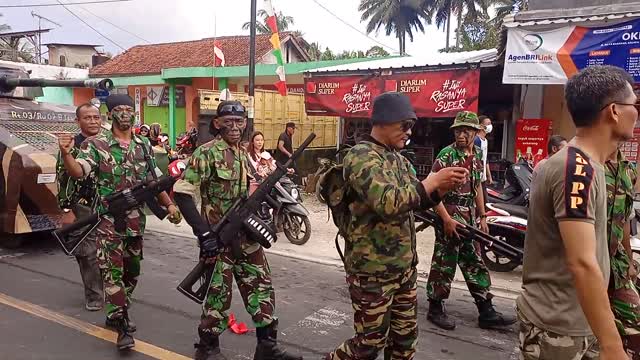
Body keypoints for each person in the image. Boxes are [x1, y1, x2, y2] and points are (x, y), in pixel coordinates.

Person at [326, 92, 469, 360]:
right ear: (383, 121)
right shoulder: (360, 156)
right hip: (372, 271)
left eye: (411, 126)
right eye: (405, 125)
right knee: (368, 345)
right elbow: (387, 202)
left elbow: (414, 201)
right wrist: (431, 182)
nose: (409, 132)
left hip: (403, 268)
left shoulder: (399, 159)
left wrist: (440, 189)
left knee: (404, 342)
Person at [518, 65, 635, 360]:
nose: (637, 113)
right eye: (635, 105)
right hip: (558, 329)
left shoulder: (585, 165)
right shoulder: (576, 169)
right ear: (613, 111)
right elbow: (582, 262)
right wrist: (612, 345)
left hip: (575, 321)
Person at [173, 101, 302, 360]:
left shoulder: (243, 153)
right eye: (228, 121)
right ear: (218, 123)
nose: (234, 126)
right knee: (218, 295)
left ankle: (267, 347)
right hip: (219, 239)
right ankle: (207, 349)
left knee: (262, 286)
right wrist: (204, 234)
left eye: (239, 121)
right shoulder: (206, 153)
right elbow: (183, 194)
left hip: (246, 236)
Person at [58, 94, 181, 351]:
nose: (125, 114)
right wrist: (66, 154)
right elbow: (78, 170)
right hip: (108, 222)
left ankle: (116, 311)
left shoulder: (144, 144)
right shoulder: (96, 144)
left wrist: (169, 204)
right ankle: (122, 326)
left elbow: (154, 179)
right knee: (112, 273)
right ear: (110, 114)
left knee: (132, 271)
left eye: (129, 109)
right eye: (119, 110)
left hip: (136, 221)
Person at [426, 111, 515, 331]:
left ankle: (486, 310)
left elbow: (477, 187)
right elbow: (432, 191)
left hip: (469, 217)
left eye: (466, 130)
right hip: (448, 213)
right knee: (444, 262)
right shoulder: (447, 156)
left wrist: (482, 215)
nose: (461, 134)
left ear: (476, 132)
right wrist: (446, 219)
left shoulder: (476, 155)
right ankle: (435, 308)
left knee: (474, 261)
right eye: (458, 130)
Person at [56, 103, 104, 312]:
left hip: (107, 204)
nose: (93, 121)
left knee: (110, 251)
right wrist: (66, 210)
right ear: (78, 121)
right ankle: (94, 295)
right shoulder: (71, 146)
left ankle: (112, 291)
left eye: (96, 117)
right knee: (87, 253)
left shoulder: (106, 143)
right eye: (88, 118)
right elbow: (64, 178)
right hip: (82, 206)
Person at [605, 146, 640, 357]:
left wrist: (629, 260)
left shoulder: (628, 170)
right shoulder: (586, 167)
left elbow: (624, 220)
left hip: (616, 265)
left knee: (635, 319)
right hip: (588, 266)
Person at [474, 115, 493, 210]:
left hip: (483, 177)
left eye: (490, 123)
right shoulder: (477, 140)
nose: (490, 126)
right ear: (481, 126)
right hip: (478, 177)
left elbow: (486, 159)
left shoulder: (485, 141)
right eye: (488, 124)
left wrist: (489, 175)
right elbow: (477, 159)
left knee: (484, 202)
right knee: (481, 202)